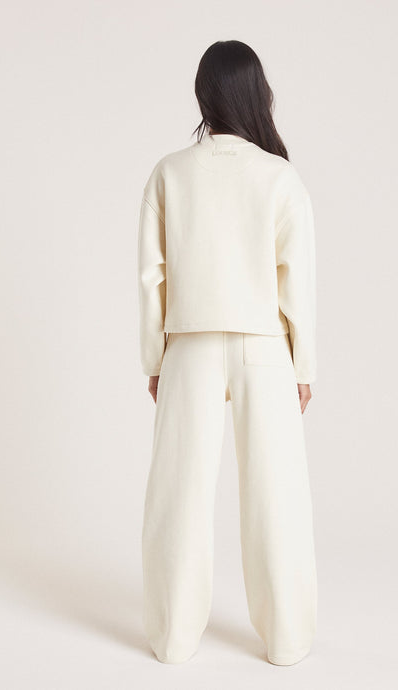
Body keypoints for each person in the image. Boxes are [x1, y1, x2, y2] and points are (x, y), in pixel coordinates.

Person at [137, 39, 318, 666]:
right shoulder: (279, 176)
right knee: (276, 493)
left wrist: (155, 359)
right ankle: (288, 640)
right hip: (265, 348)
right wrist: (304, 364)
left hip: (188, 345)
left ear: (202, 96)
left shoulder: (170, 172)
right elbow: (298, 279)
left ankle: (172, 638)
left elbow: (151, 277)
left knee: (178, 493)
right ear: (257, 94)